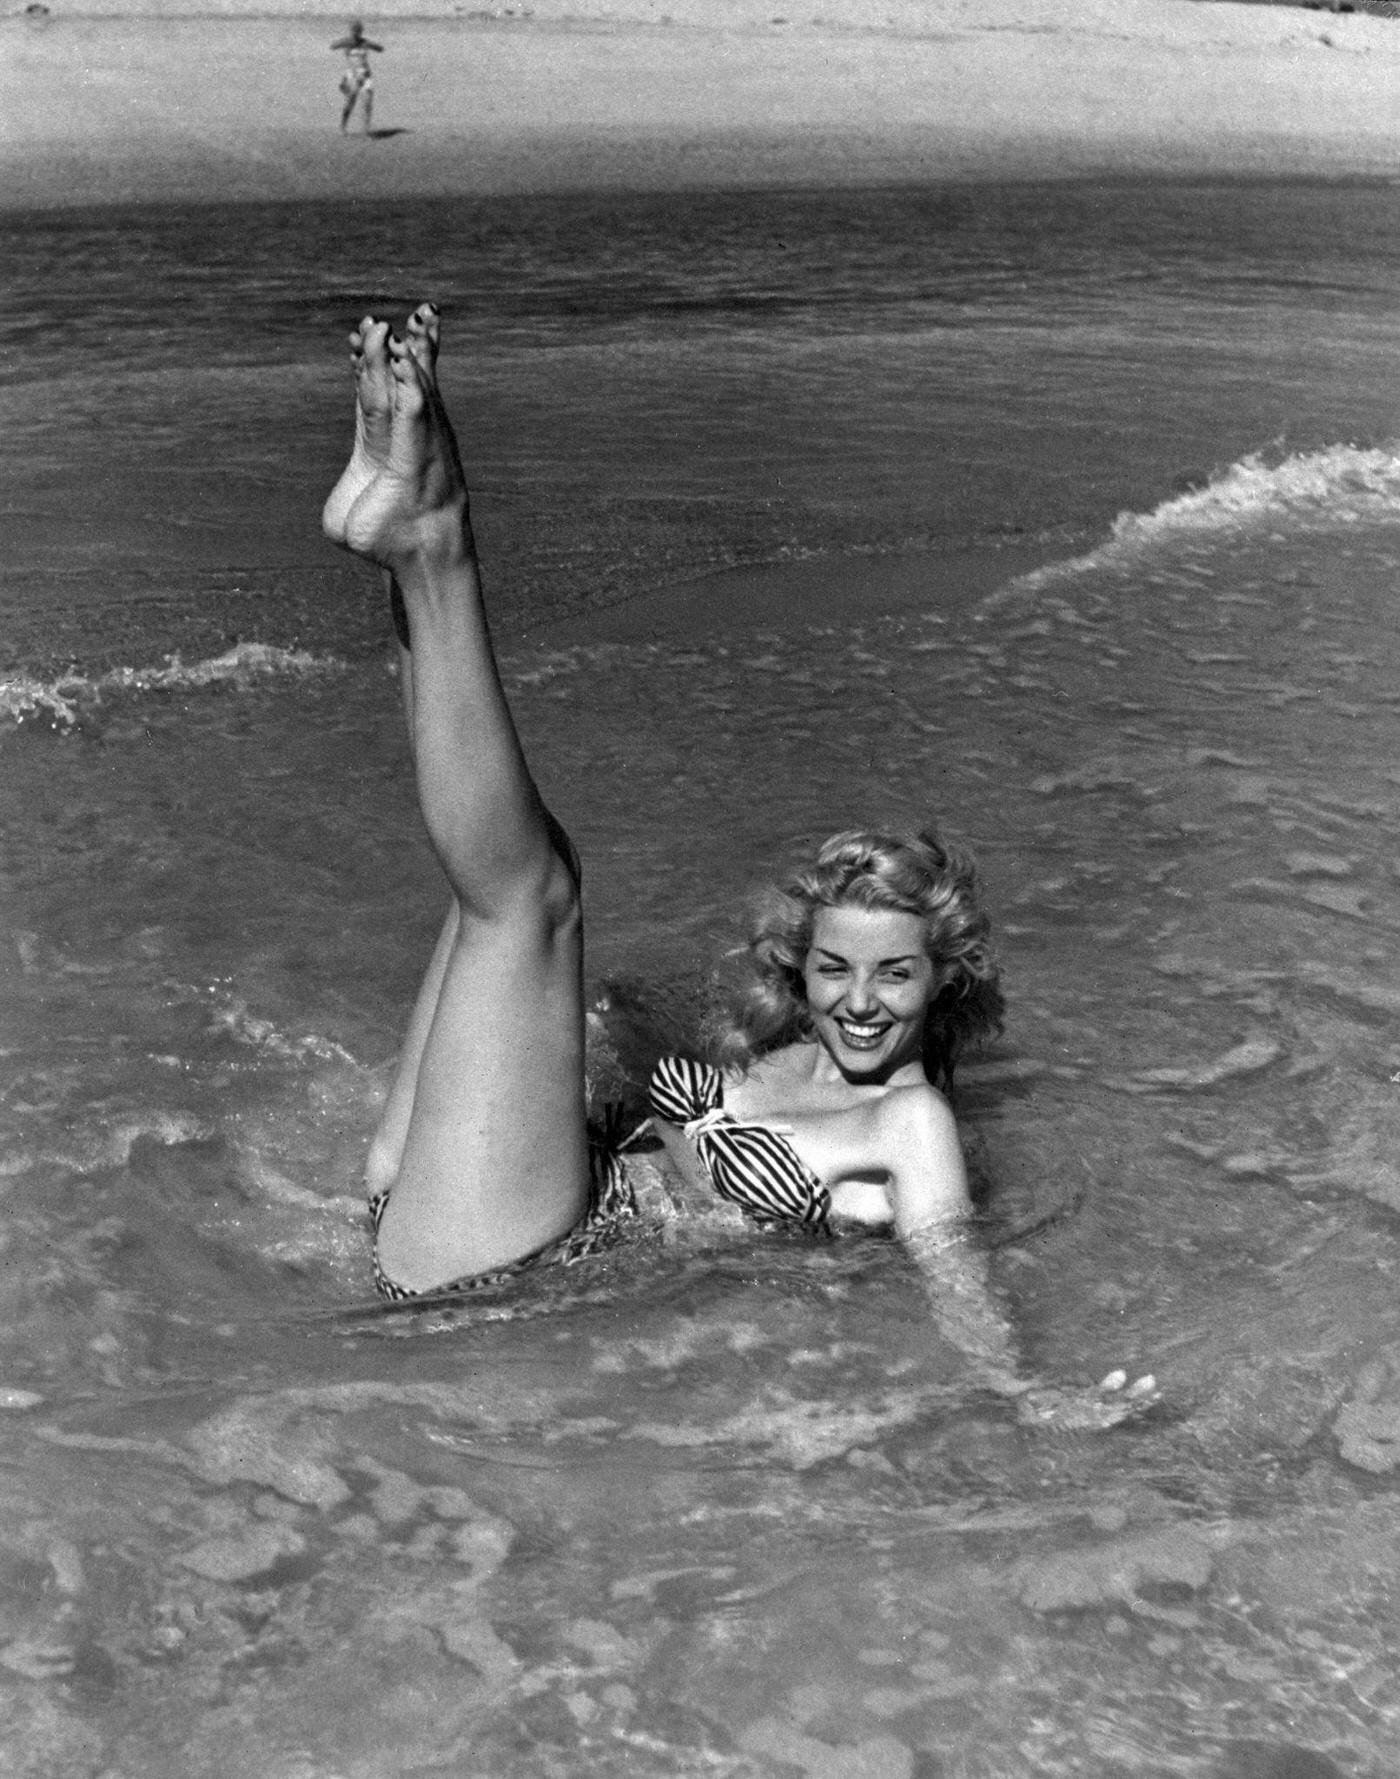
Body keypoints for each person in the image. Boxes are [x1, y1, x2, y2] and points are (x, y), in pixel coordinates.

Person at [320, 304, 1157, 1430]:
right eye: (834, 972)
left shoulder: (913, 1129)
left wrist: (1021, 1392)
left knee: (528, 899)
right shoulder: (770, 1046)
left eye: (894, 976)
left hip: (494, 1275)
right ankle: (404, 471)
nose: (857, 1004)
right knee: (515, 885)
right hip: (428, 1199)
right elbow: (620, 1016)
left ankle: (432, 534)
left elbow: (957, 1276)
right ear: (799, 968)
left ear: (944, 979)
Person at [331, 20, 383, 135]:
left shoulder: (364, 42)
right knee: (350, 102)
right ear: (350, 31)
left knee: (368, 102)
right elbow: (333, 46)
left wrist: (370, 44)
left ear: (361, 32)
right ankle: (342, 126)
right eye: (353, 31)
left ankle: (366, 128)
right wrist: (343, 42)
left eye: (358, 31)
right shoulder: (347, 42)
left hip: (365, 74)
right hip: (352, 75)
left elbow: (380, 49)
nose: (355, 33)